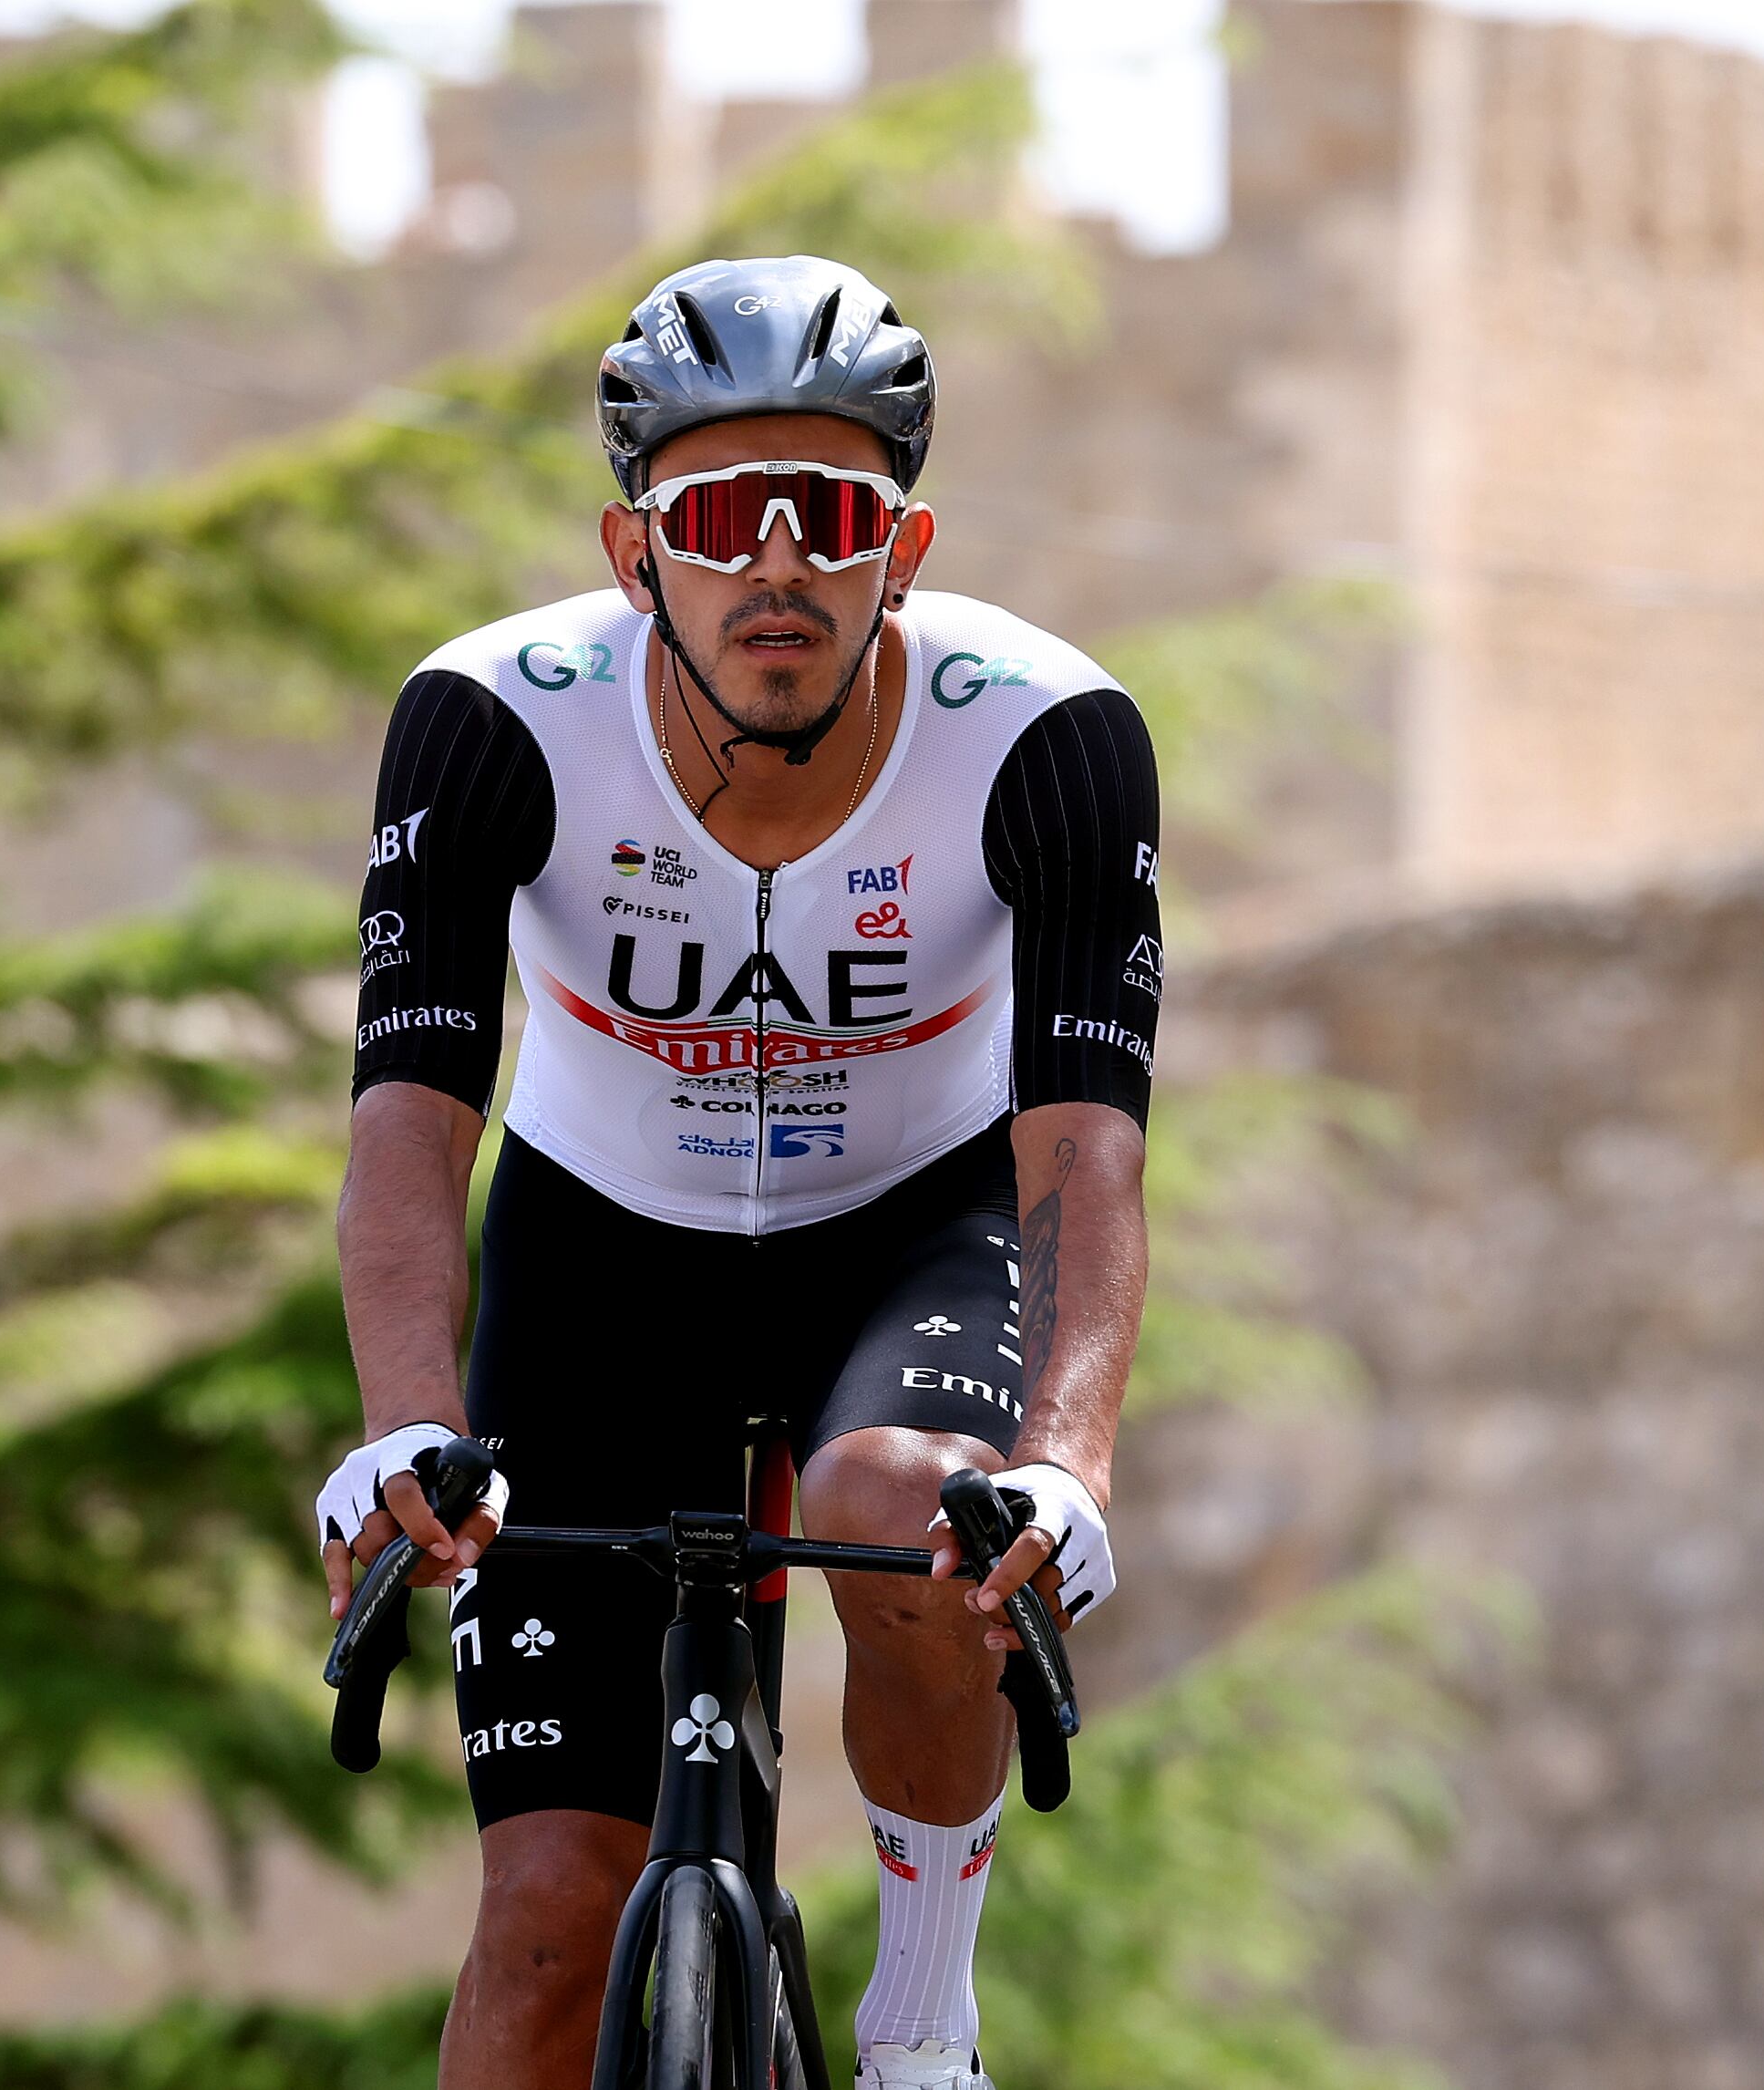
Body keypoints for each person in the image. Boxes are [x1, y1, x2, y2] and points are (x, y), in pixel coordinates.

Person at [321, 255, 1159, 2090]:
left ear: (902, 550)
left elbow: (1085, 1146)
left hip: (904, 1235)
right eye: (718, 515)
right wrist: (402, 1429)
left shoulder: (1046, 734)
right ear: (638, 558)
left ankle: (923, 2022)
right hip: (599, 1254)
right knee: (546, 1929)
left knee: (904, 1501)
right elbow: (412, 1117)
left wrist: (1067, 1465)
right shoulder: (494, 720)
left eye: (830, 516)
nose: (775, 560)